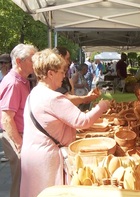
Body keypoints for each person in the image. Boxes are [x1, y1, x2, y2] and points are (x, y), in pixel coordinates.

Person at [20, 48, 110, 197]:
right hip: (46, 159)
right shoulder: (52, 98)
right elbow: (83, 121)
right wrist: (102, 106)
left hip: (33, 155)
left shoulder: (35, 93)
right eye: (62, 72)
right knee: (49, 193)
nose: (64, 76)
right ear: (50, 73)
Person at [0, 43, 38, 197]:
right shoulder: (13, 83)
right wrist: (19, 144)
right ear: (18, 61)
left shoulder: (23, 80)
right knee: (21, 181)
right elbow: (7, 118)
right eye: (32, 59)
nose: (35, 62)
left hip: (22, 135)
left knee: (25, 181)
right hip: (17, 136)